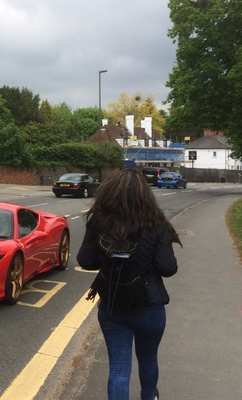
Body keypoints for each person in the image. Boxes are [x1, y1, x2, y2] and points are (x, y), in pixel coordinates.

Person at [76, 168, 181, 400]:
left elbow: (85, 260)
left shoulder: (99, 223)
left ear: (109, 194)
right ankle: (148, 397)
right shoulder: (157, 224)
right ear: (146, 195)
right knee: (148, 358)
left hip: (113, 305)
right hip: (150, 307)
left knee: (119, 369)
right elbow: (168, 268)